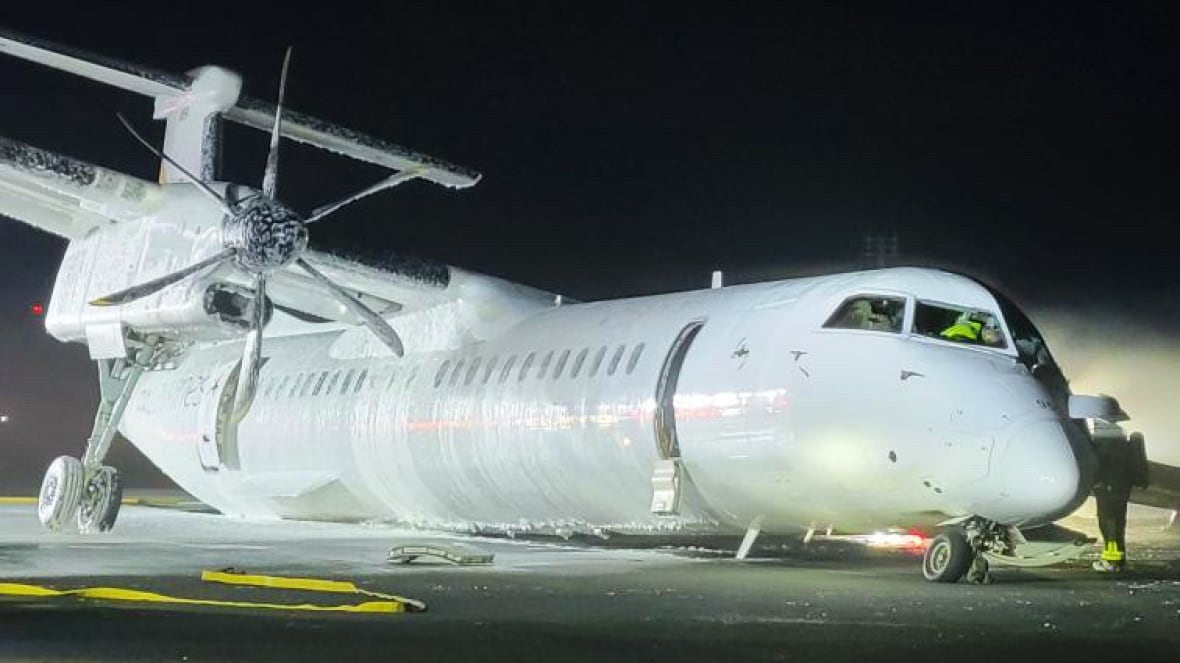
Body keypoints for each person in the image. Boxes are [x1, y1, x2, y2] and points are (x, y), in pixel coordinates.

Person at [1091, 424, 1133, 573]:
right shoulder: (1122, 441)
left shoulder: (1102, 444)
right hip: (1121, 490)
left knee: (1109, 527)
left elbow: (1098, 467)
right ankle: (1119, 561)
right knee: (1118, 526)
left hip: (1107, 491)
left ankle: (1111, 562)